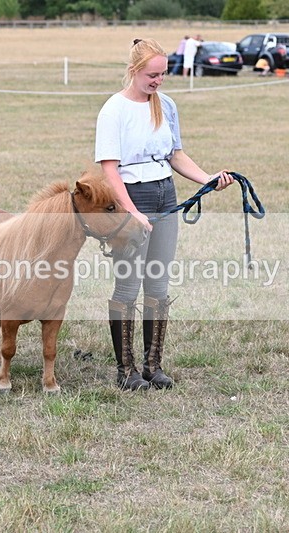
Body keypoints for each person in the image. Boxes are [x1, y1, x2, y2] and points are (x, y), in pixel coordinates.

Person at [94, 38, 233, 391]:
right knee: (128, 285)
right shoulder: (113, 110)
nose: (158, 81)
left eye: (163, 74)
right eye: (152, 75)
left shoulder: (166, 105)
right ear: (134, 71)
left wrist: (208, 179)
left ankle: (152, 365)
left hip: (165, 194)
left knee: (158, 283)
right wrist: (131, 213)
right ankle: (126, 371)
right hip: (132, 195)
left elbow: (176, 156)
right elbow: (110, 170)